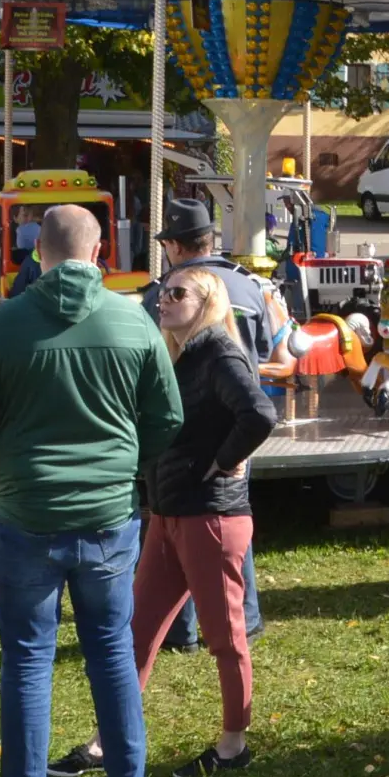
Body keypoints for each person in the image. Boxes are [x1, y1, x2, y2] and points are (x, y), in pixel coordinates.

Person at [0, 205, 183, 777]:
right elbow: (165, 421)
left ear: (35, 251)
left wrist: (4, 476)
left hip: (26, 515)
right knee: (111, 652)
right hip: (108, 518)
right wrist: (125, 475)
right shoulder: (135, 323)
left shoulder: (0, 326)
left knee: (27, 661)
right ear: (101, 250)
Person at [58, 267, 276, 777]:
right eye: (163, 292)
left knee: (225, 637)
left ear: (207, 301)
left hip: (211, 517)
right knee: (135, 632)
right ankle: (106, 740)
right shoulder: (180, 355)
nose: (164, 300)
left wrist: (225, 461)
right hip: (170, 514)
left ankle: (233, 745)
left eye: (177, 293)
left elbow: (260, 413)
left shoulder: (219, 351)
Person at [140, 197, 272, 653]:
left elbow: (150, 356)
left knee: (181, 533)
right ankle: (245, 618)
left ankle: (182, 629)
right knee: (233, 523)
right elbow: (267, 352)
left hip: (190, 434)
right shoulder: (252, 287)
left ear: (175, 246)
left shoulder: (165, 293)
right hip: (236, 431)